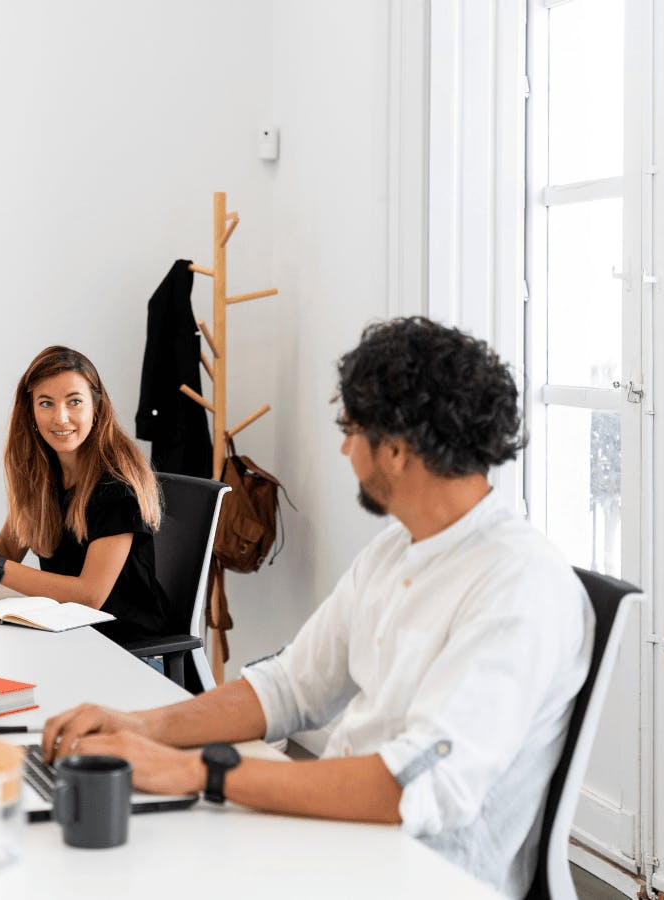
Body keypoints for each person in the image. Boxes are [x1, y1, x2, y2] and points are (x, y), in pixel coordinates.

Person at [41, 317, 593, 899]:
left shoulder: (519, 585)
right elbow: (290, 687)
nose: (344, 447)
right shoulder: (397, 548)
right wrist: (141, 726)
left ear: (399, 447)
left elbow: (409, 789)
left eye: (352, 429)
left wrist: (198, 772)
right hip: (344, 846)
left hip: (418, 877)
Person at [0, 345, 169, 647]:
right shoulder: (42, 473)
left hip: (126, 650)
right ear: (31, 411)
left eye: (74, 402)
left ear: (96, 407)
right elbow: (10, 546)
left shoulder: (117, 486)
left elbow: (90, 595)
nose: (61, 418)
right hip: (67, 634)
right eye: (46, 403)